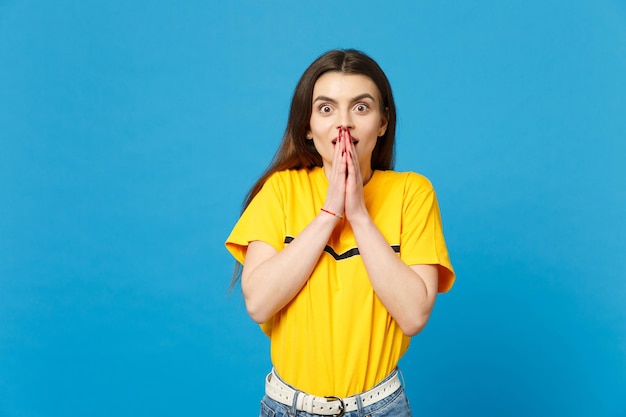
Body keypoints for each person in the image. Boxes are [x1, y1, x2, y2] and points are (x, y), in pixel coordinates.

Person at [225, 49, 455, 417]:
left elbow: (413, 315)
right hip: (287, 408)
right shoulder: (280, 191)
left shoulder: (413, 193)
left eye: (361, 108)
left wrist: (360, 216)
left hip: (380, 407)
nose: (343, 123)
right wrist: (329, 214)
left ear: (382, 122)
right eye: (326, 108)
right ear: (307, 125)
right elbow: (259, 303)